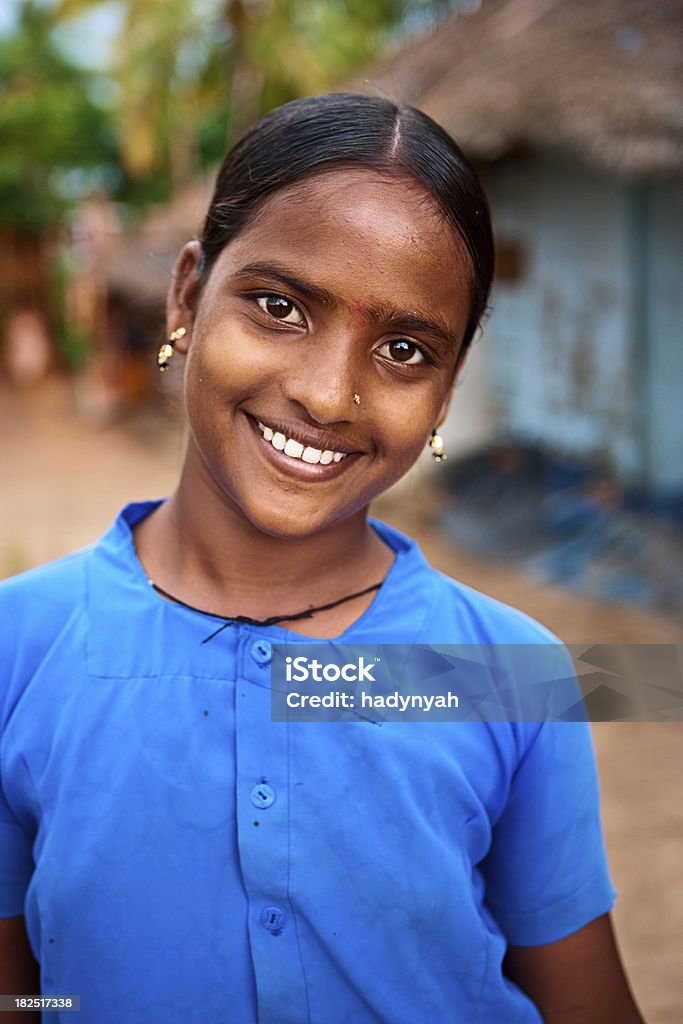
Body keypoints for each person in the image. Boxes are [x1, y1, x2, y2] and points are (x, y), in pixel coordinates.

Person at [0, 94, 644, 1023]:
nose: (328, 393)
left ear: (448, 389)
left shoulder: (510, 674)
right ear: (187, 296)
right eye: (278, 306)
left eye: (402, 349)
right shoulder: (20, 647)